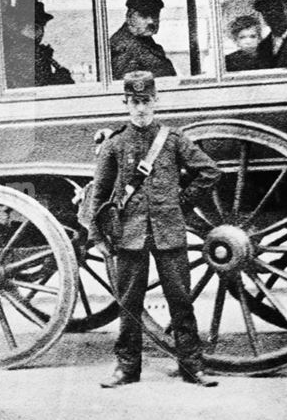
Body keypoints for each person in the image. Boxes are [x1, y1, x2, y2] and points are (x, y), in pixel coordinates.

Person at [86, 71, 221, 388]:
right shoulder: (116, 145)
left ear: (156, 101)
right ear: (125, 103)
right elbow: (100, 193)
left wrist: (182, 201)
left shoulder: (173, 141)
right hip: (130, 236)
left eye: (146, 101)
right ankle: (127, 369)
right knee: (129, 305)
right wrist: (96, 235)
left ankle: (192, 367)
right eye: (134, 102)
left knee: (181, 301)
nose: (141, 109)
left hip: (169, 233)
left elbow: (210, 171)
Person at [1, 0, 74, 88]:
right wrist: (61, 77)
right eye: (36, 26)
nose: (41, 31)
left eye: (42, 26)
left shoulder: (31, 50)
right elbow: (40, 85)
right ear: (20, 26)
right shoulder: (25, 52)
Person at [109, 0, 177, 79]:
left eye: (155, 15)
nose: (151, 21)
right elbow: (127, 86)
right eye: (144, 16)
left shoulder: (143, 40)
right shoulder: (123, 46)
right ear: (129, 17)